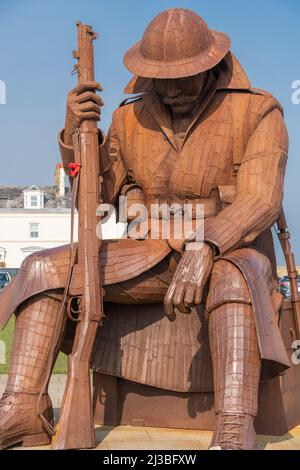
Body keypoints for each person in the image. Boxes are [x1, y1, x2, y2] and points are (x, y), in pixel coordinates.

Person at [0, 8, 290, 450]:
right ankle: (22, 407)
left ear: (210, 65)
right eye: (162, 77)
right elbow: (94, 198)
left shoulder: (257, 110)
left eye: (184, 77)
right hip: (148, 250)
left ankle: (234, 423)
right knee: (40, 268)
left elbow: (260, 198)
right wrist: (78, 133)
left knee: (233, 279)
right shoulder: (127, 117)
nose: (171, 89)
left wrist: (207, 244)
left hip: (232, 250)